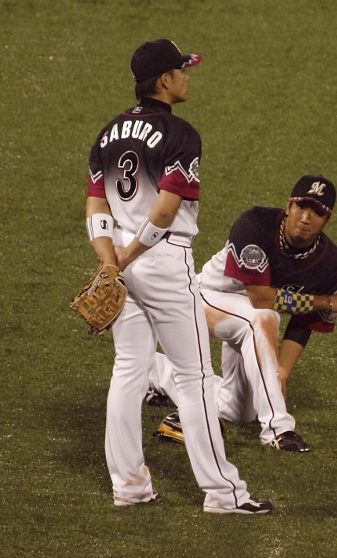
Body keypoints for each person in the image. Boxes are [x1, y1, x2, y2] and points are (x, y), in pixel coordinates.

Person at [85, 38, 271, 514]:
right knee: (194, 379)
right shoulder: (180, 133)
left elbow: (97, 205)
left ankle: (129, 487)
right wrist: (125, 259)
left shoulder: (108, 134)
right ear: (164, 80)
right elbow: (166, 210)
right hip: (161, 262)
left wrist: (109, 262)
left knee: (128, 372)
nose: (189, 76)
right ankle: (224, 494)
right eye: (182, 70)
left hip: (122, 262)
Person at [148, 174, 337, 452]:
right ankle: (279, 428)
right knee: (263, 317)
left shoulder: (329, 263)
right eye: (301, 206)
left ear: (327, 221)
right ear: (288, 206)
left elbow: (303, 324)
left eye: (317, 212)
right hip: (200, 299)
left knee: (237, 410)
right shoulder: (255, 225)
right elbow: (260, 297)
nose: (306, 217)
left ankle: (151, 369)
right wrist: (327, 302)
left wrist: (282, 373)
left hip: (248, 321)